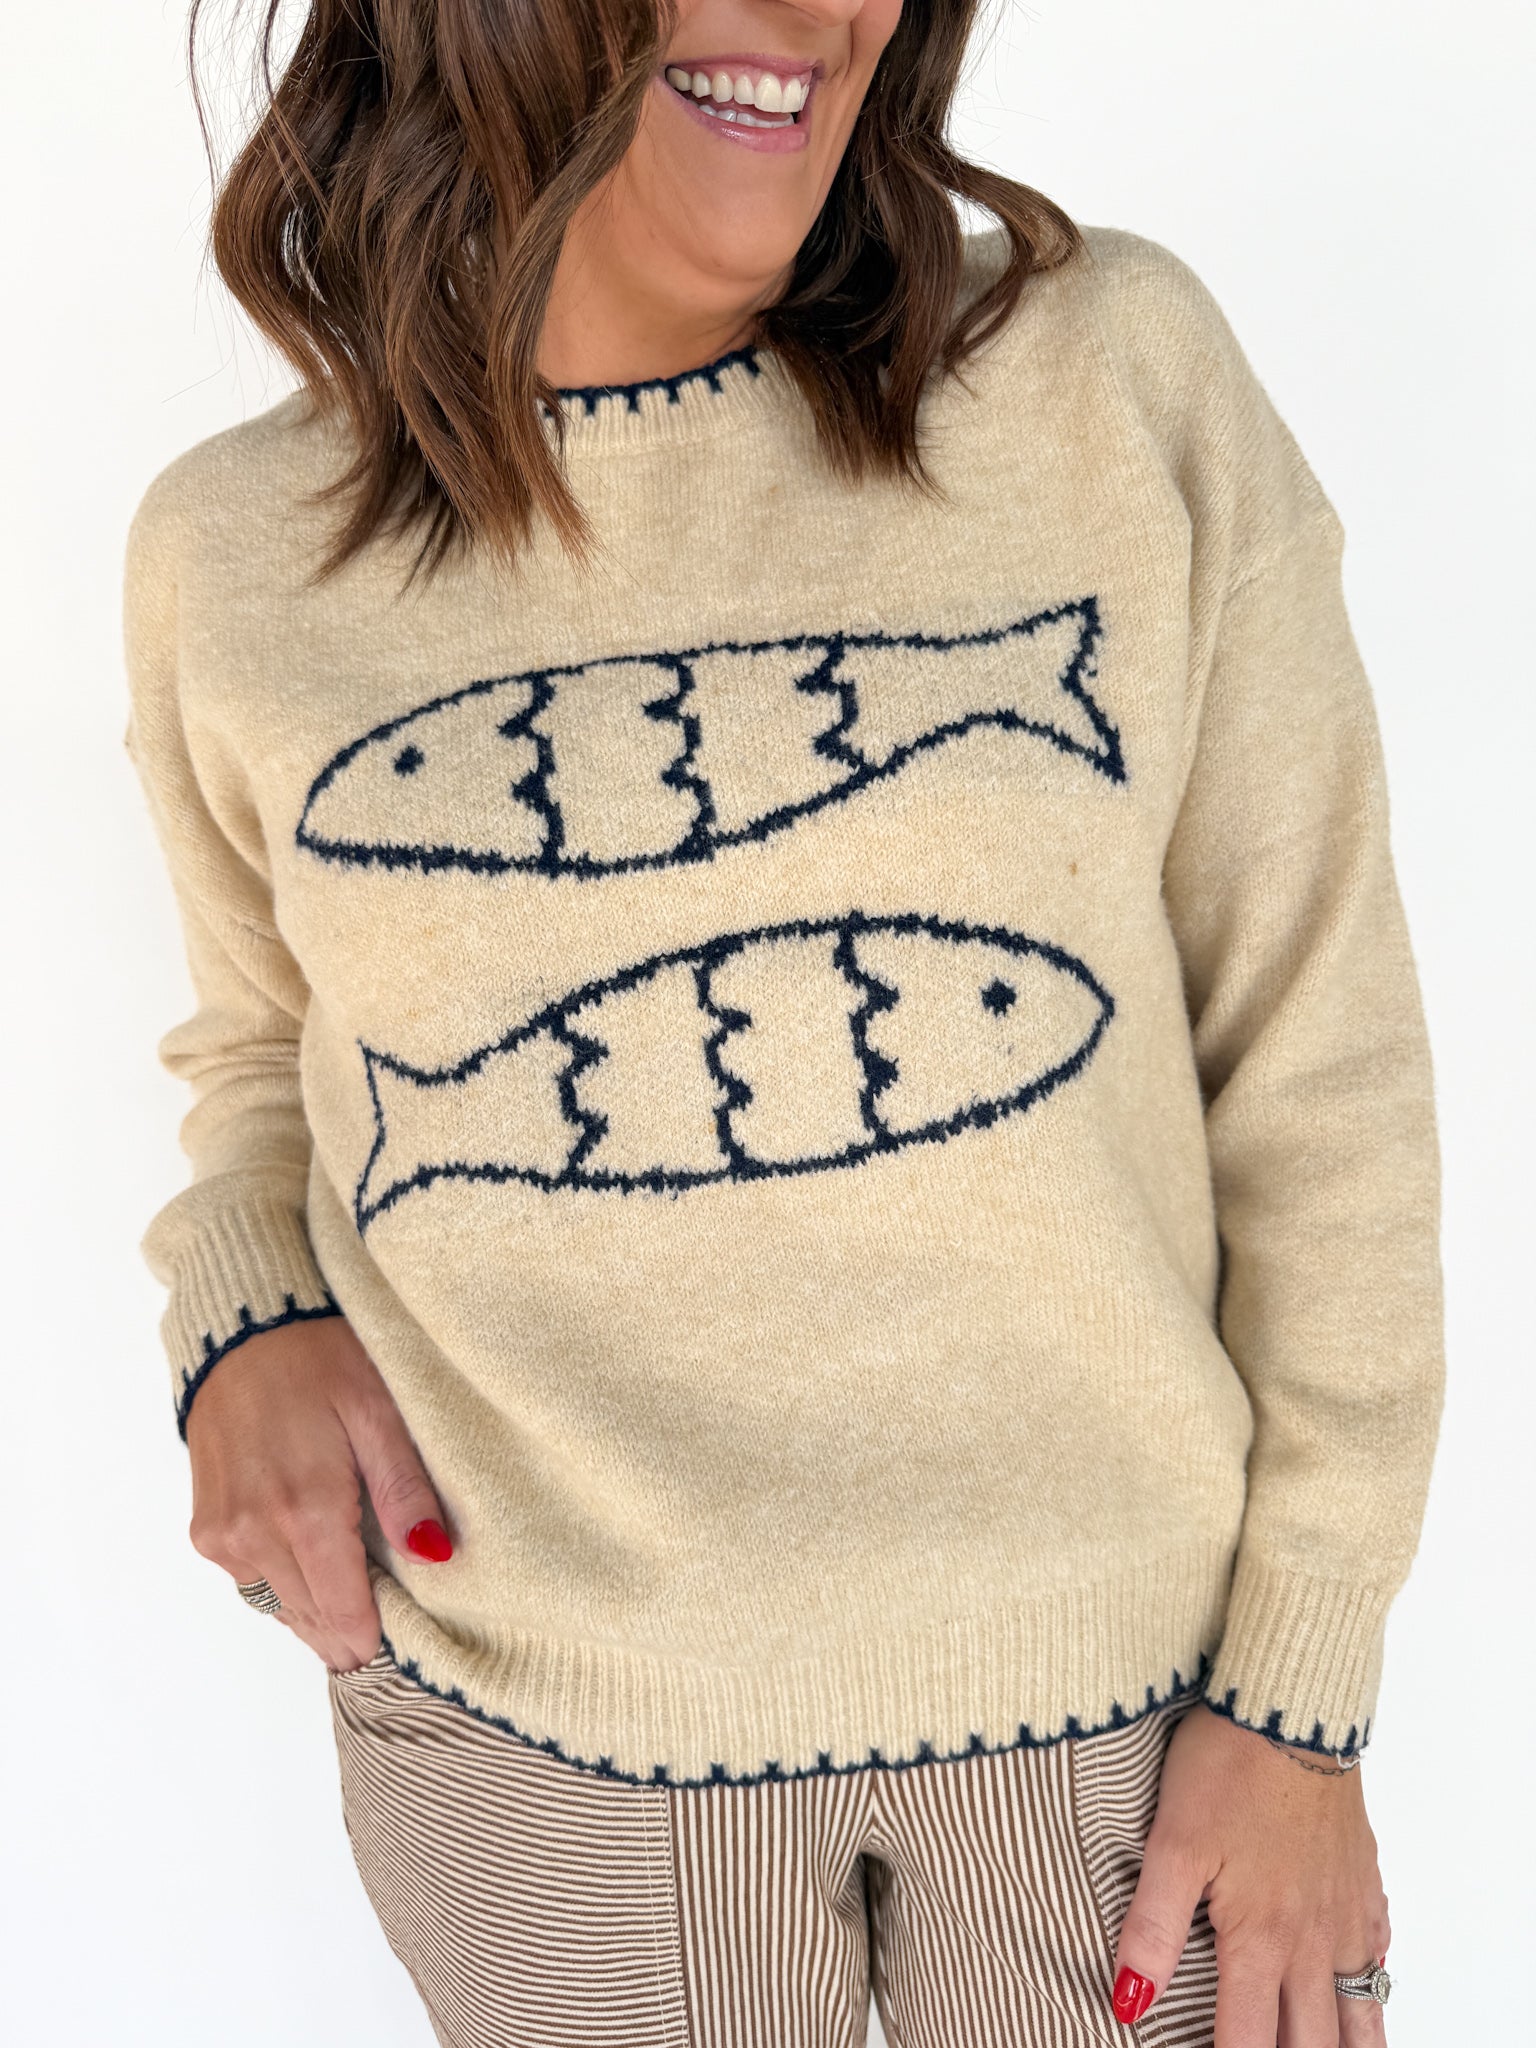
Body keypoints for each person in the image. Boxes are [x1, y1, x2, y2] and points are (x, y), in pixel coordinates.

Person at [122, 1, 1443, 2041]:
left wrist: (1302, 1695)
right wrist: (241, 1319)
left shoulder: (1111, 379)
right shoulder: (234, 556)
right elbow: (267, 1060)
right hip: (543, 1764)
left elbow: (1321, 1070)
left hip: (1146, 1762)